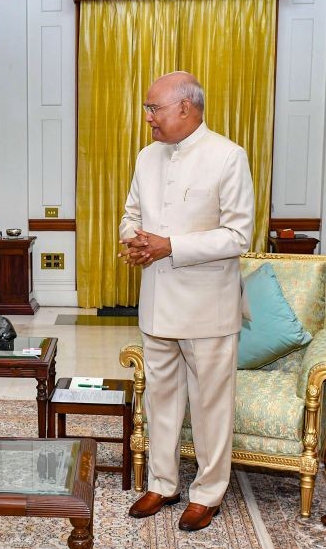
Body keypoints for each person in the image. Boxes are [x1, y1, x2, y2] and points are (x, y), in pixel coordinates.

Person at [118, 71, 254, 531]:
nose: (148, 117)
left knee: (211, 403)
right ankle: (162, 482)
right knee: (160, 400)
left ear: (186, 108)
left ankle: (209, 492)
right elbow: (131, 213)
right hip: (156, 301)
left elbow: (238, 235)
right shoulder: (145, 157)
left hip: (207, 307)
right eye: (147, 108)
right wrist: (134, 241)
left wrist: (169, 245)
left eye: (154, 108)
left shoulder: (228, 156)